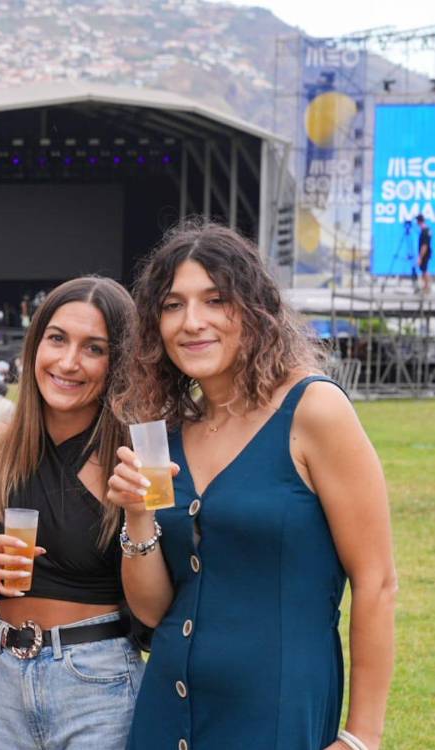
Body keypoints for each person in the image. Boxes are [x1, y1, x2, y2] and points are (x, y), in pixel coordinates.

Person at [108, 223, 397, 750]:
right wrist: (136, 516)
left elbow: (376, 581)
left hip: (275, 713)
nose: (192, 322)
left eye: (215, 300)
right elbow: (152, 611)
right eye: (172, 305)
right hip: (166, 714)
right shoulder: (168, 435)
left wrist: (362, 738)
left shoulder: (314, 411)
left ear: (255, 308)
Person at [0, 276, 143, 748]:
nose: (68, 362)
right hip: (5, 674)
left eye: (94, 348)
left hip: (97, 677)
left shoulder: (130, 455)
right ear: (35, 343)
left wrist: (140, 514)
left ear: (118, 361)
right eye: (57, 339)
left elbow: (155, 603)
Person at [417, 214, 430, 295]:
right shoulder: (426, 230)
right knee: (423, 270)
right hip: (426, 252)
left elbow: (424, 245)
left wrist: (420, 257)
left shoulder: (425, 231)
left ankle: (427, 287)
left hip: (424, 253)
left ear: (419, 221)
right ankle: (426, 286)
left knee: (424, 270)